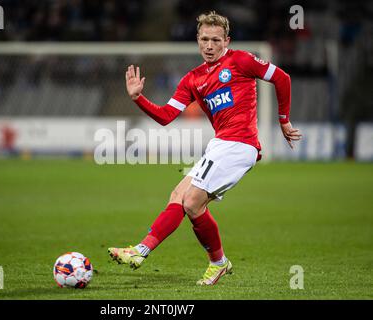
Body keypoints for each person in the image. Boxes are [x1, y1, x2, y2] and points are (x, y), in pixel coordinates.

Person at [108, 11, 302, 285]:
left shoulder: (241, 60)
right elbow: (165, 116)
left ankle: (199, 260)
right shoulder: (193, 79)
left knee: (191, 201)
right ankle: (150, 253)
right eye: (204, 39)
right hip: (220, 145)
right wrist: (138, 98)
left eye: (215, 40)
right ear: (197, 40)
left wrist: (283, 121)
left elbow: (282, 78)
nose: (209, 46)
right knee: (179, 195)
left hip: (240, 144)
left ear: (226, 41)